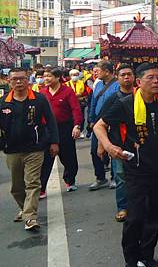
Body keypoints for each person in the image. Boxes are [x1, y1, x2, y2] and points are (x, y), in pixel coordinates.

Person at [94, 63, 158, 267]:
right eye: (151, 78)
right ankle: (130, 260)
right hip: (136, 170)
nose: (156, 81)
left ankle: (147, 255)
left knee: (155, 215)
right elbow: (99, 126)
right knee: (135, 217)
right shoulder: (124, 104)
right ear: (139, 82)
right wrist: (108, 146)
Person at [0, 67, 59, 231]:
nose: (18, 82)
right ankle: (25, 208)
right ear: (8, 81)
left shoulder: (39, 99)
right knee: (17, 187)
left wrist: (54, 142)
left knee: (33, 183)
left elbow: (51, 121)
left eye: (22, 79)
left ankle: (30, 217)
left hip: (35, 148)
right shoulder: (3, 102)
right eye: (15, 79)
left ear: (28, 80)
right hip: (12, 150)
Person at [96, 64, 135, 222]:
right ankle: (122, 207)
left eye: (129, 74)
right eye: (123, 75)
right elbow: (101, 122)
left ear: (134, 77)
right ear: (117, 79)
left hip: (137, 143)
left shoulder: (140, 95)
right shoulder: (114, 98)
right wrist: (102, 144)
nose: (126, 77)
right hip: (118, 143)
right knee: (121, 177)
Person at [39, 67, 83, 198]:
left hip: (65, 128)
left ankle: (70, 180)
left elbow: (76, 109)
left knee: (68, 157)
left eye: (49, 76)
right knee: (45, 159)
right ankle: (41, 188)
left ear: (58, 78)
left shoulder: (68, 91)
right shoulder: (42, 93)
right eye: (45, 76)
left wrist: (77, 126)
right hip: (47, 130)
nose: (46, 78)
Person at [88, 61, 119, 190]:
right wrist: (91, 119)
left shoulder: (117, 85)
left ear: (107, 71)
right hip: (98, 122)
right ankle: (100, 178)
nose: (96, 73)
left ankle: (114, 177)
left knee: (112, 150)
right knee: (95, 150)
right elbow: (93, 102)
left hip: (112, 122)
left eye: (98, 71)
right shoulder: (98, 84)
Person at [66, 69, 92, 135]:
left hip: (80, 103)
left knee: (81, 117)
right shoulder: (66, 84)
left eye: (76, 75)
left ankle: (81, 130)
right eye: (73, 75)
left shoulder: (82, 83)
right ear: (70, 76)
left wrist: (81, 96)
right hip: (69, 104)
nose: (74, 76)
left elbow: (87, 93)